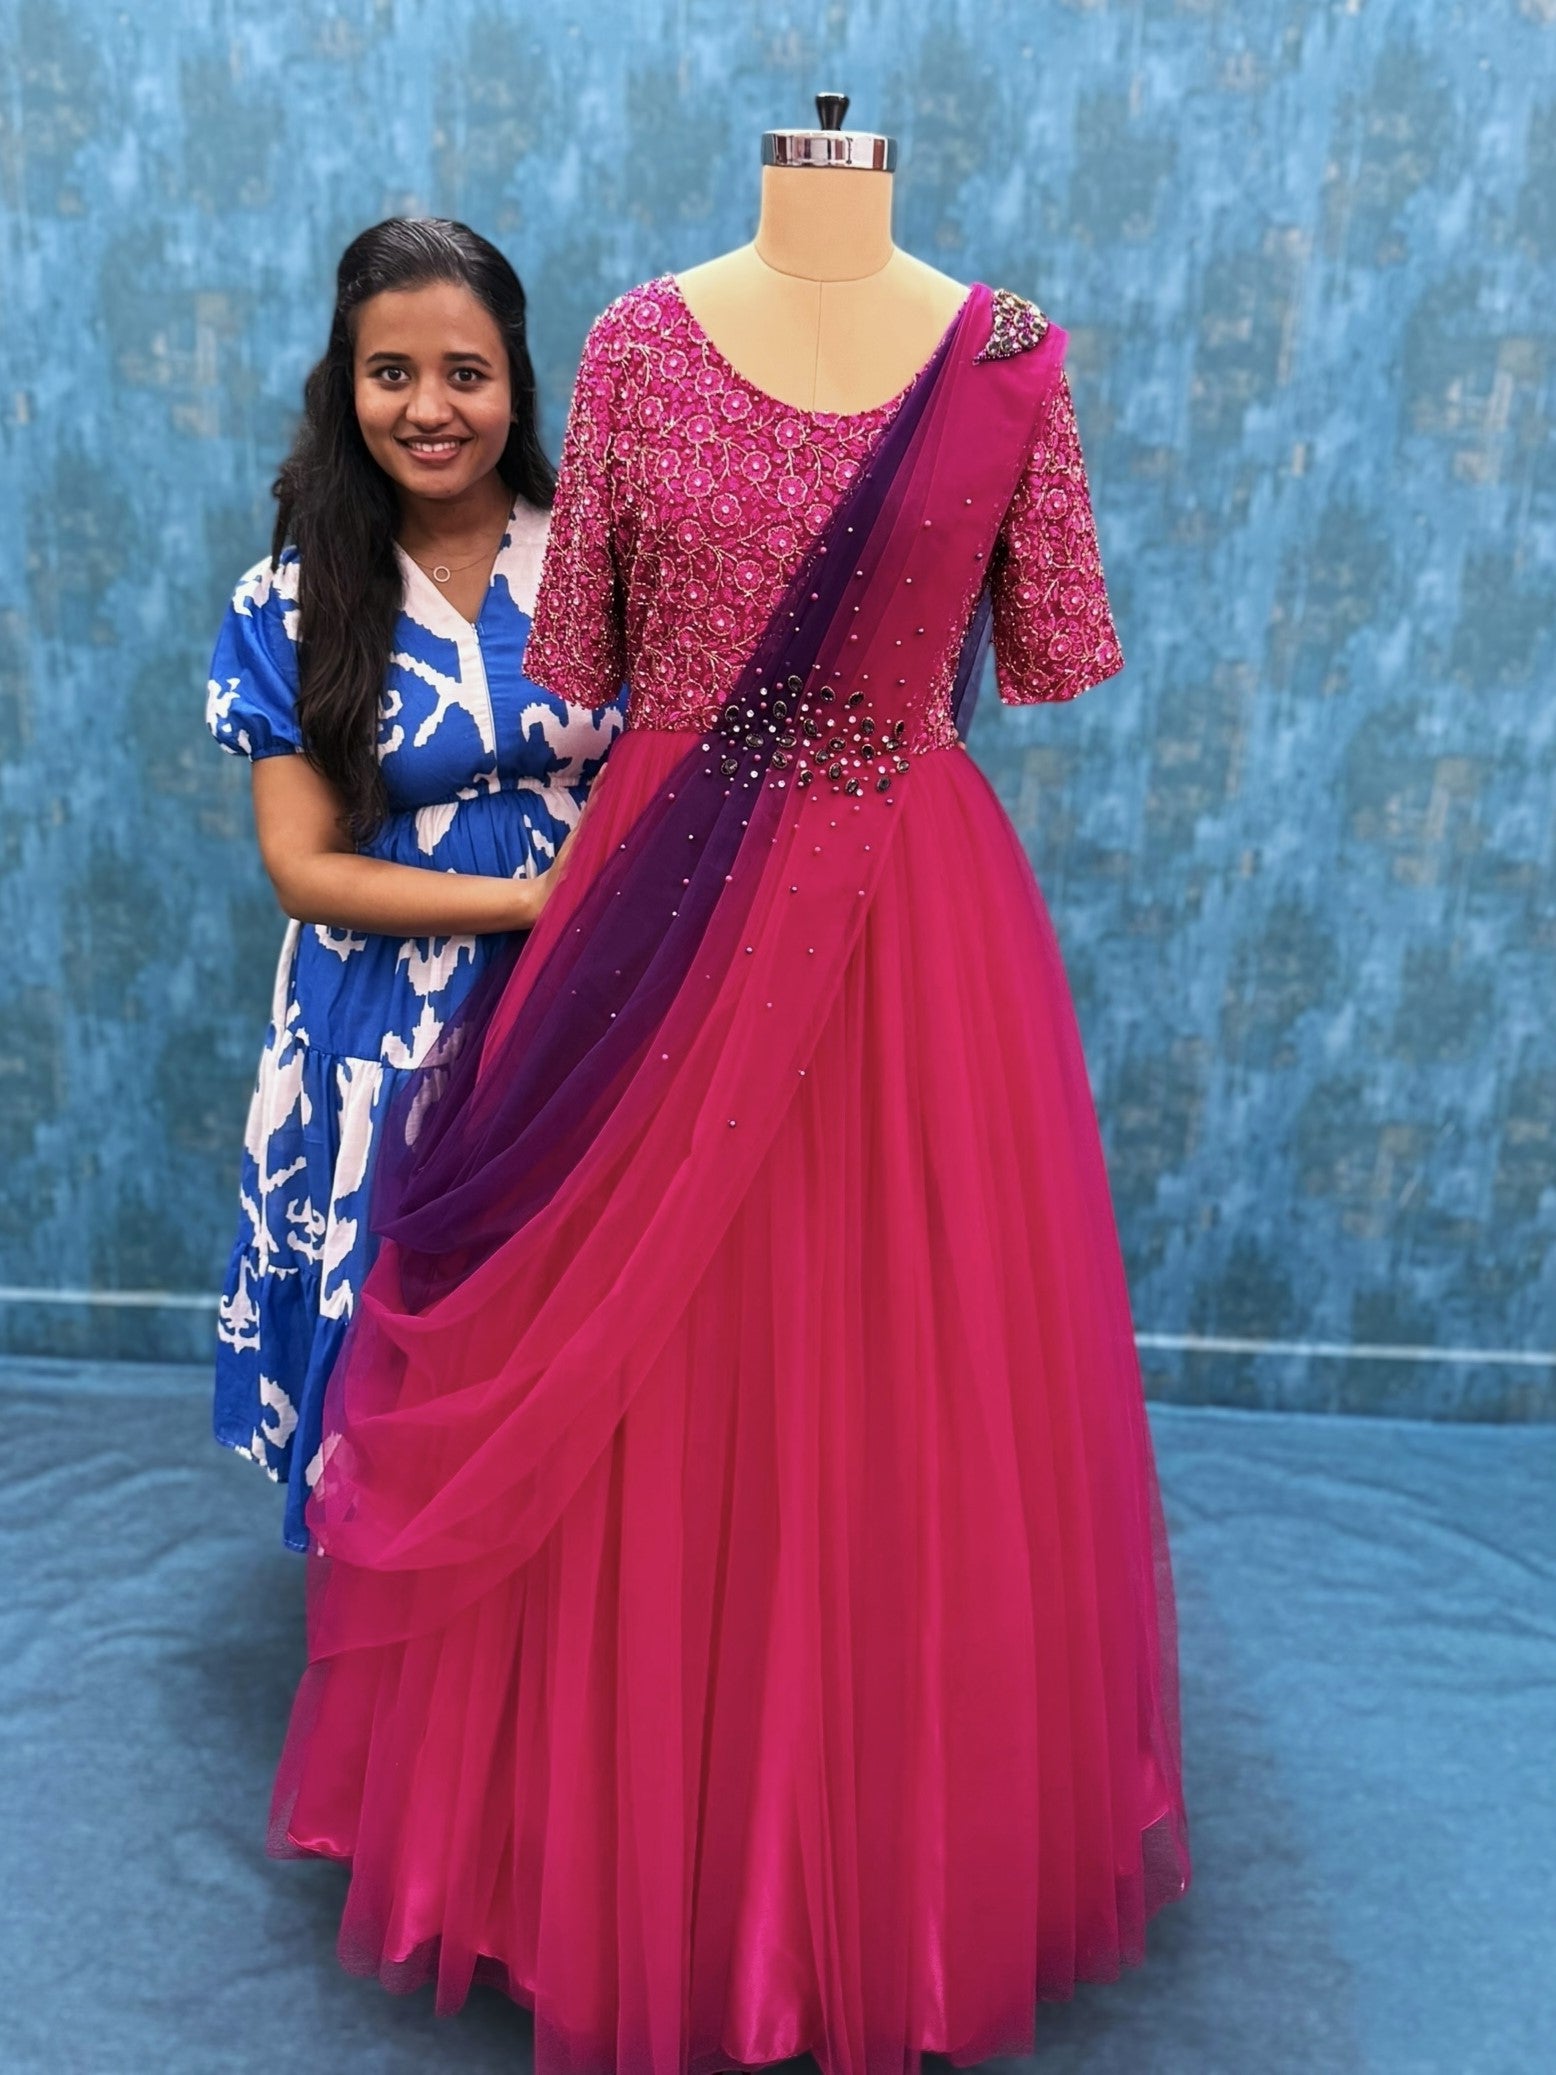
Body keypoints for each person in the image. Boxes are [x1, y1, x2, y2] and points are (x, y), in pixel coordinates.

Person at [269, 272, 1191, 2073]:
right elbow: (590, 659)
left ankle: (865, 1867)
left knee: (891, 1359)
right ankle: (598, 1850)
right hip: (670, 904)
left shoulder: (1006, 367)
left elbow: (1056, 640)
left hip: (903, 931)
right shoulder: (631, 344)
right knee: (631, 1339)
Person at [206, 217, 626, 1550]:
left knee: (573, 1315)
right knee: (403, 1312)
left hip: (584, 1007)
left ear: (517, 382)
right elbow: (301, 869)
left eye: (466, 372)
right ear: (347, 386)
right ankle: (406, 1607)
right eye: (392, 373)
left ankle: (559, 1615)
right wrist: (524, 907)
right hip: (385, 1021)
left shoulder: (608, 568)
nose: (430, 407)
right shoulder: (292, 602)